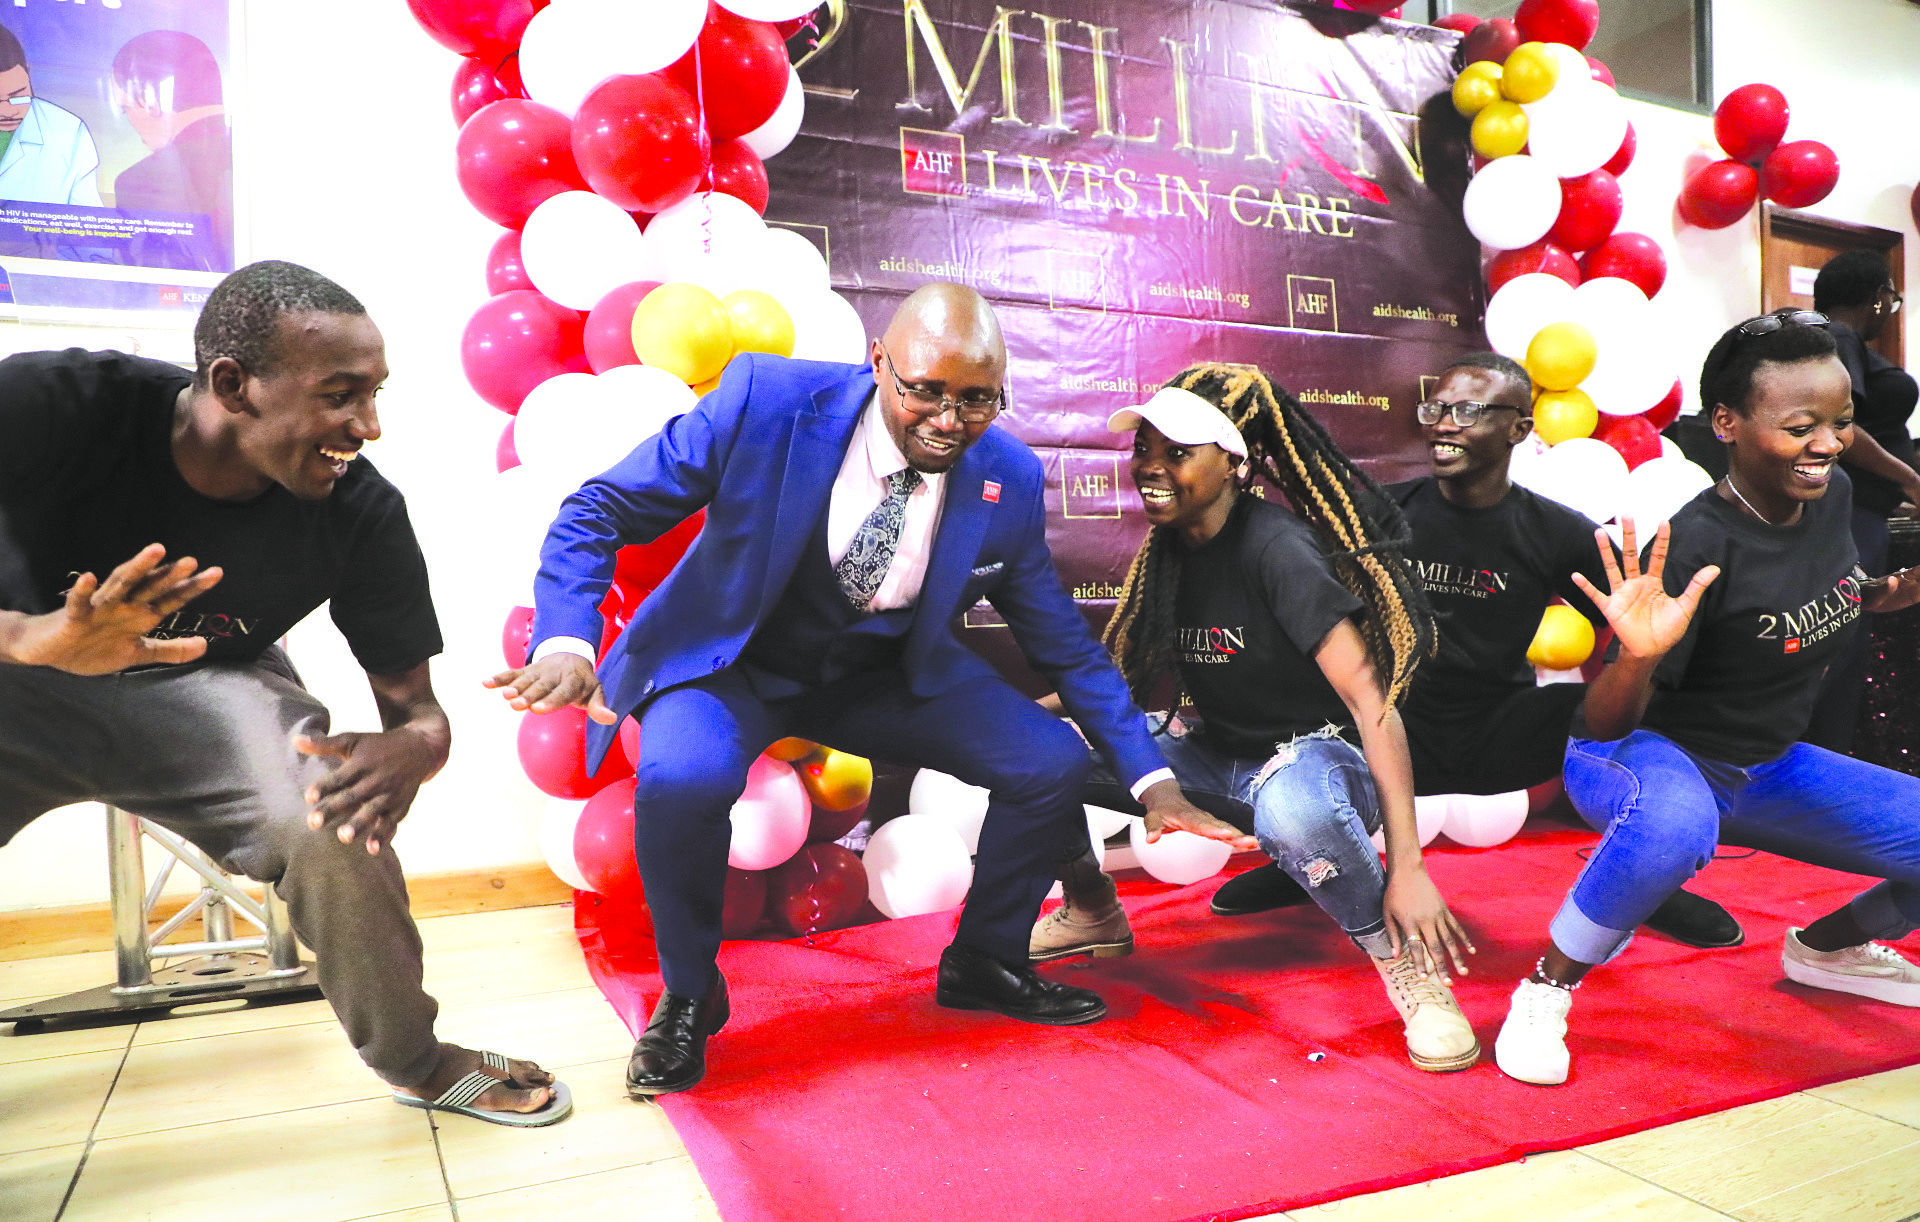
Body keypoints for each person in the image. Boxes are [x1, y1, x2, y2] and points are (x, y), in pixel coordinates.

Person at [492, 284, 1249, 1097]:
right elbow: (599, 508)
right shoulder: (765, 400)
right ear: (880, 362)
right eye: (924, 389)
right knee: (682, 780)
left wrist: (1155, 782)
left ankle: (985, 960)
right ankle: (686, 995)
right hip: (734, 663)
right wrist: (567, 640)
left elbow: (1065, 647)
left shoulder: (1008, 474)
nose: (948, 419)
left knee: (1047, 761)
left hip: (881, 672)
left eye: (975, 399)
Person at [0, 260, 569, 1127]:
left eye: (376, 395)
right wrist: (31, 638)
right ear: (235, 385)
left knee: (327, 805)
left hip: (199, 694)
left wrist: (414, 748)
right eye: (341, 396)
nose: (368, 427)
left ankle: (417, 1060)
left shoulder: (360, 511)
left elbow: (418, 714)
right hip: (21, 680)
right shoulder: (56, 403)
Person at [1493, 310, 1920, 1087]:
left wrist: (1896, 588)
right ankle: (1545, 988)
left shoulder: (1830, 495)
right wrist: (1636, 655)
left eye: (1840, 422)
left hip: (1764, 762)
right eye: (1801, 427)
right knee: (1673, 826)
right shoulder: (1694, 546)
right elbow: (1604, 721)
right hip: (1637, 753)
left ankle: (1827, 948)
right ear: (1726, 422)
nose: (1825, 443)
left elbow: (1829, 595)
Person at [1199, 353, 1742, 950]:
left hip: (1497, 729)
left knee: (1639, 716)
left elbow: (1642, 627)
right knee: (1303, 739)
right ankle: (1303, 868)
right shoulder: (1382, 511)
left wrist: (1640, 663)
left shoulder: (1555, 530)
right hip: (1390, 727)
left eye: (1468, 410)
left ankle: (1648, 879)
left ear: (1519, 430)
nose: (1443, 424)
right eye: (1436, 409)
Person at [1028, 363, 1483, 1074]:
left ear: (1234, 464)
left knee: (1294, 811)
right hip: (1220, 760)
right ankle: (1092, 907)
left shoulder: (1277, 547)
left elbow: (1374, 704)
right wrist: (1014, 716)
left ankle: (1409, 970)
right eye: (1144, 449)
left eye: (1177, 453)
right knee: (1026, 746)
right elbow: (1111, 678)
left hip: (1322, 768)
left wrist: (1411, 867)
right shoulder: (1170, 552)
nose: (1151, 466)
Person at [1800, 252, 1919, 752]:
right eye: (1893, 297)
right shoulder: (1840, 336)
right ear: (1876, 298)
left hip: (1858, 511)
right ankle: (1821, 767)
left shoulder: (1824, 338)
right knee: (1840, 642)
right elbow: (1841, 428)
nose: (1892, 307)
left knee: (1839, 636)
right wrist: (1911, 480)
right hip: (1848, 515)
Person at [109, 30, 233, 256]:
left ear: (148, 99)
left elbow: (137, 278)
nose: (130, 120)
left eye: (125, 109)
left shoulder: (135, 183)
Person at [0, 23, 103, 206]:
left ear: (28, 73)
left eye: (18, 96)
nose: (8, 111)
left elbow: (86, 221)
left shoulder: (69, 131)